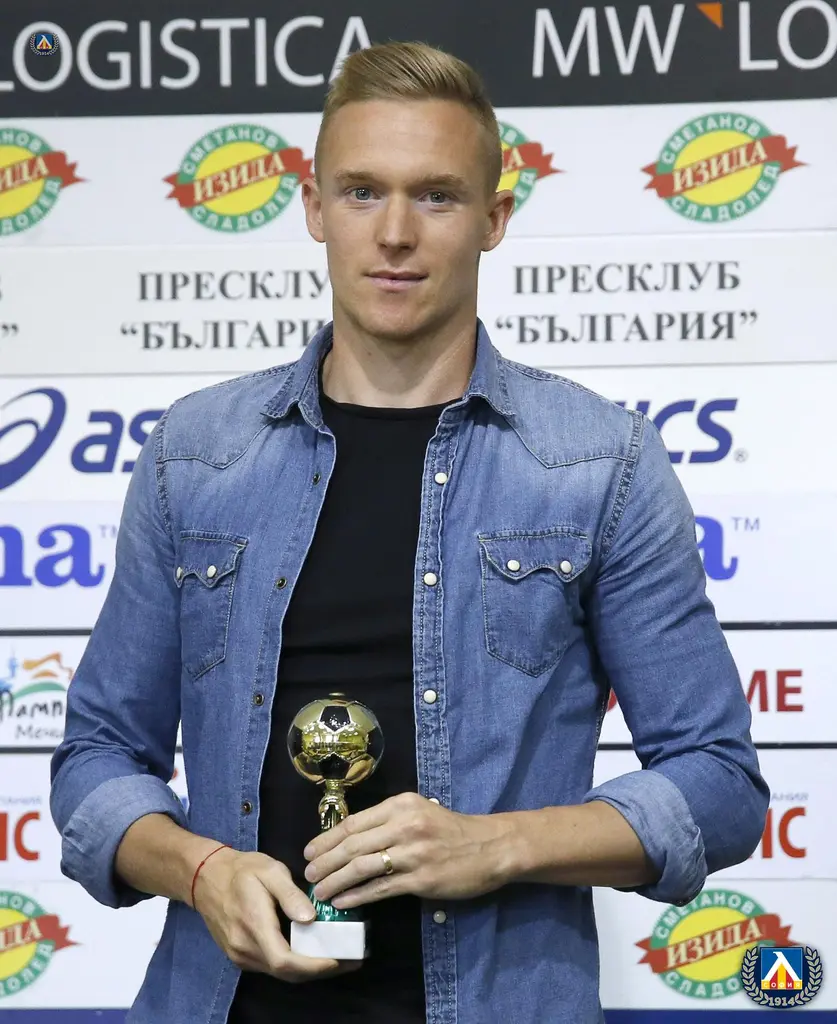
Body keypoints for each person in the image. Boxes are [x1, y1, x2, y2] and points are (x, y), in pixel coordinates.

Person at [50, 41, 769, 1024]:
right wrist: (202, 869)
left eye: (435, 196)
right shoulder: (195, 453)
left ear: (493, 219)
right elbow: (96, 756)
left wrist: (496, 844)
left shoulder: (601, 462)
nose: (394, 233)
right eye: (361, 192)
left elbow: (719, 785)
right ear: (313, 208)